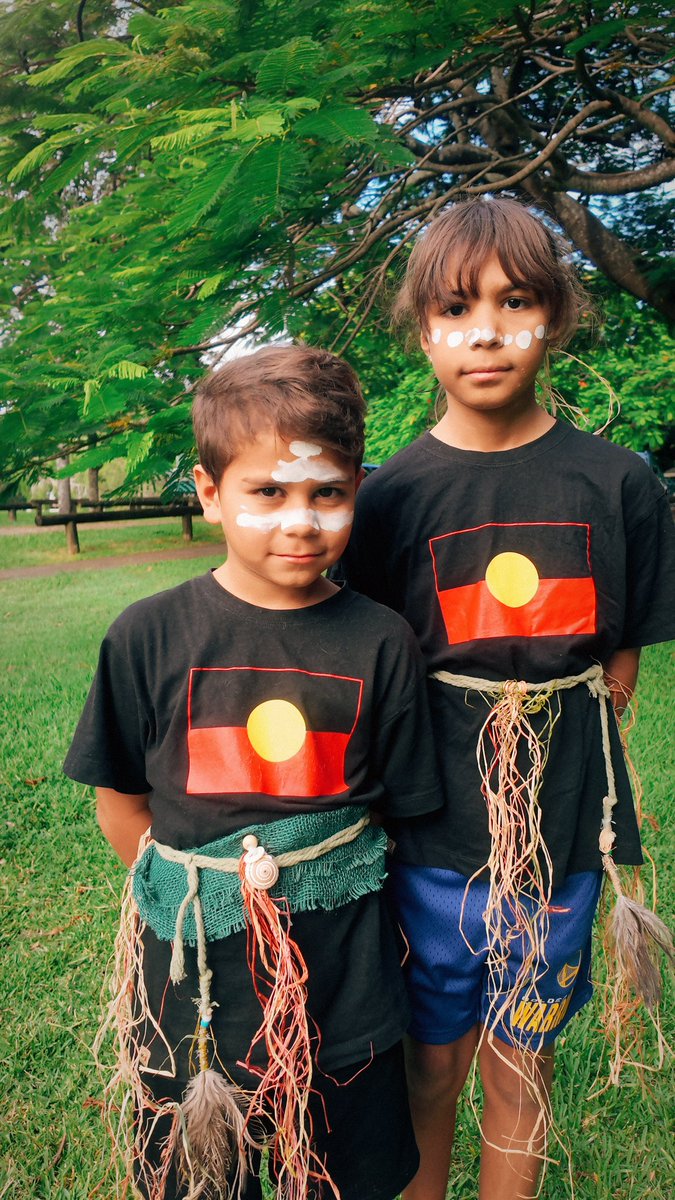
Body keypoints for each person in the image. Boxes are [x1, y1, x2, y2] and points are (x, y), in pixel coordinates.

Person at [338, 197, 675, 1200]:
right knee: (430, 1065)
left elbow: (617, 669)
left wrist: (549, 780)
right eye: (455, 306)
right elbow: (369, 676)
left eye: (516, 301)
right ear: (423, 328)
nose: (486, 331)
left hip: (563, 848)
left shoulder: (618, 484)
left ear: (557, 317)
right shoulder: (390, 498)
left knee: (522, 1066)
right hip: (427, 845)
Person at [63, 344, 443, 1200]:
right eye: (266, 492)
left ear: (356, 492)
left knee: (346, 1178)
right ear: (208, 493)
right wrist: (211, 906)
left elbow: (404, 819)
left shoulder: (380, 642)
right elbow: (123, 806)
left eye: (326, 494)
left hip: (345, 997)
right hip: (191, 994)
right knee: (200, 1181)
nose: (299, 521)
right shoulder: (147, 636)